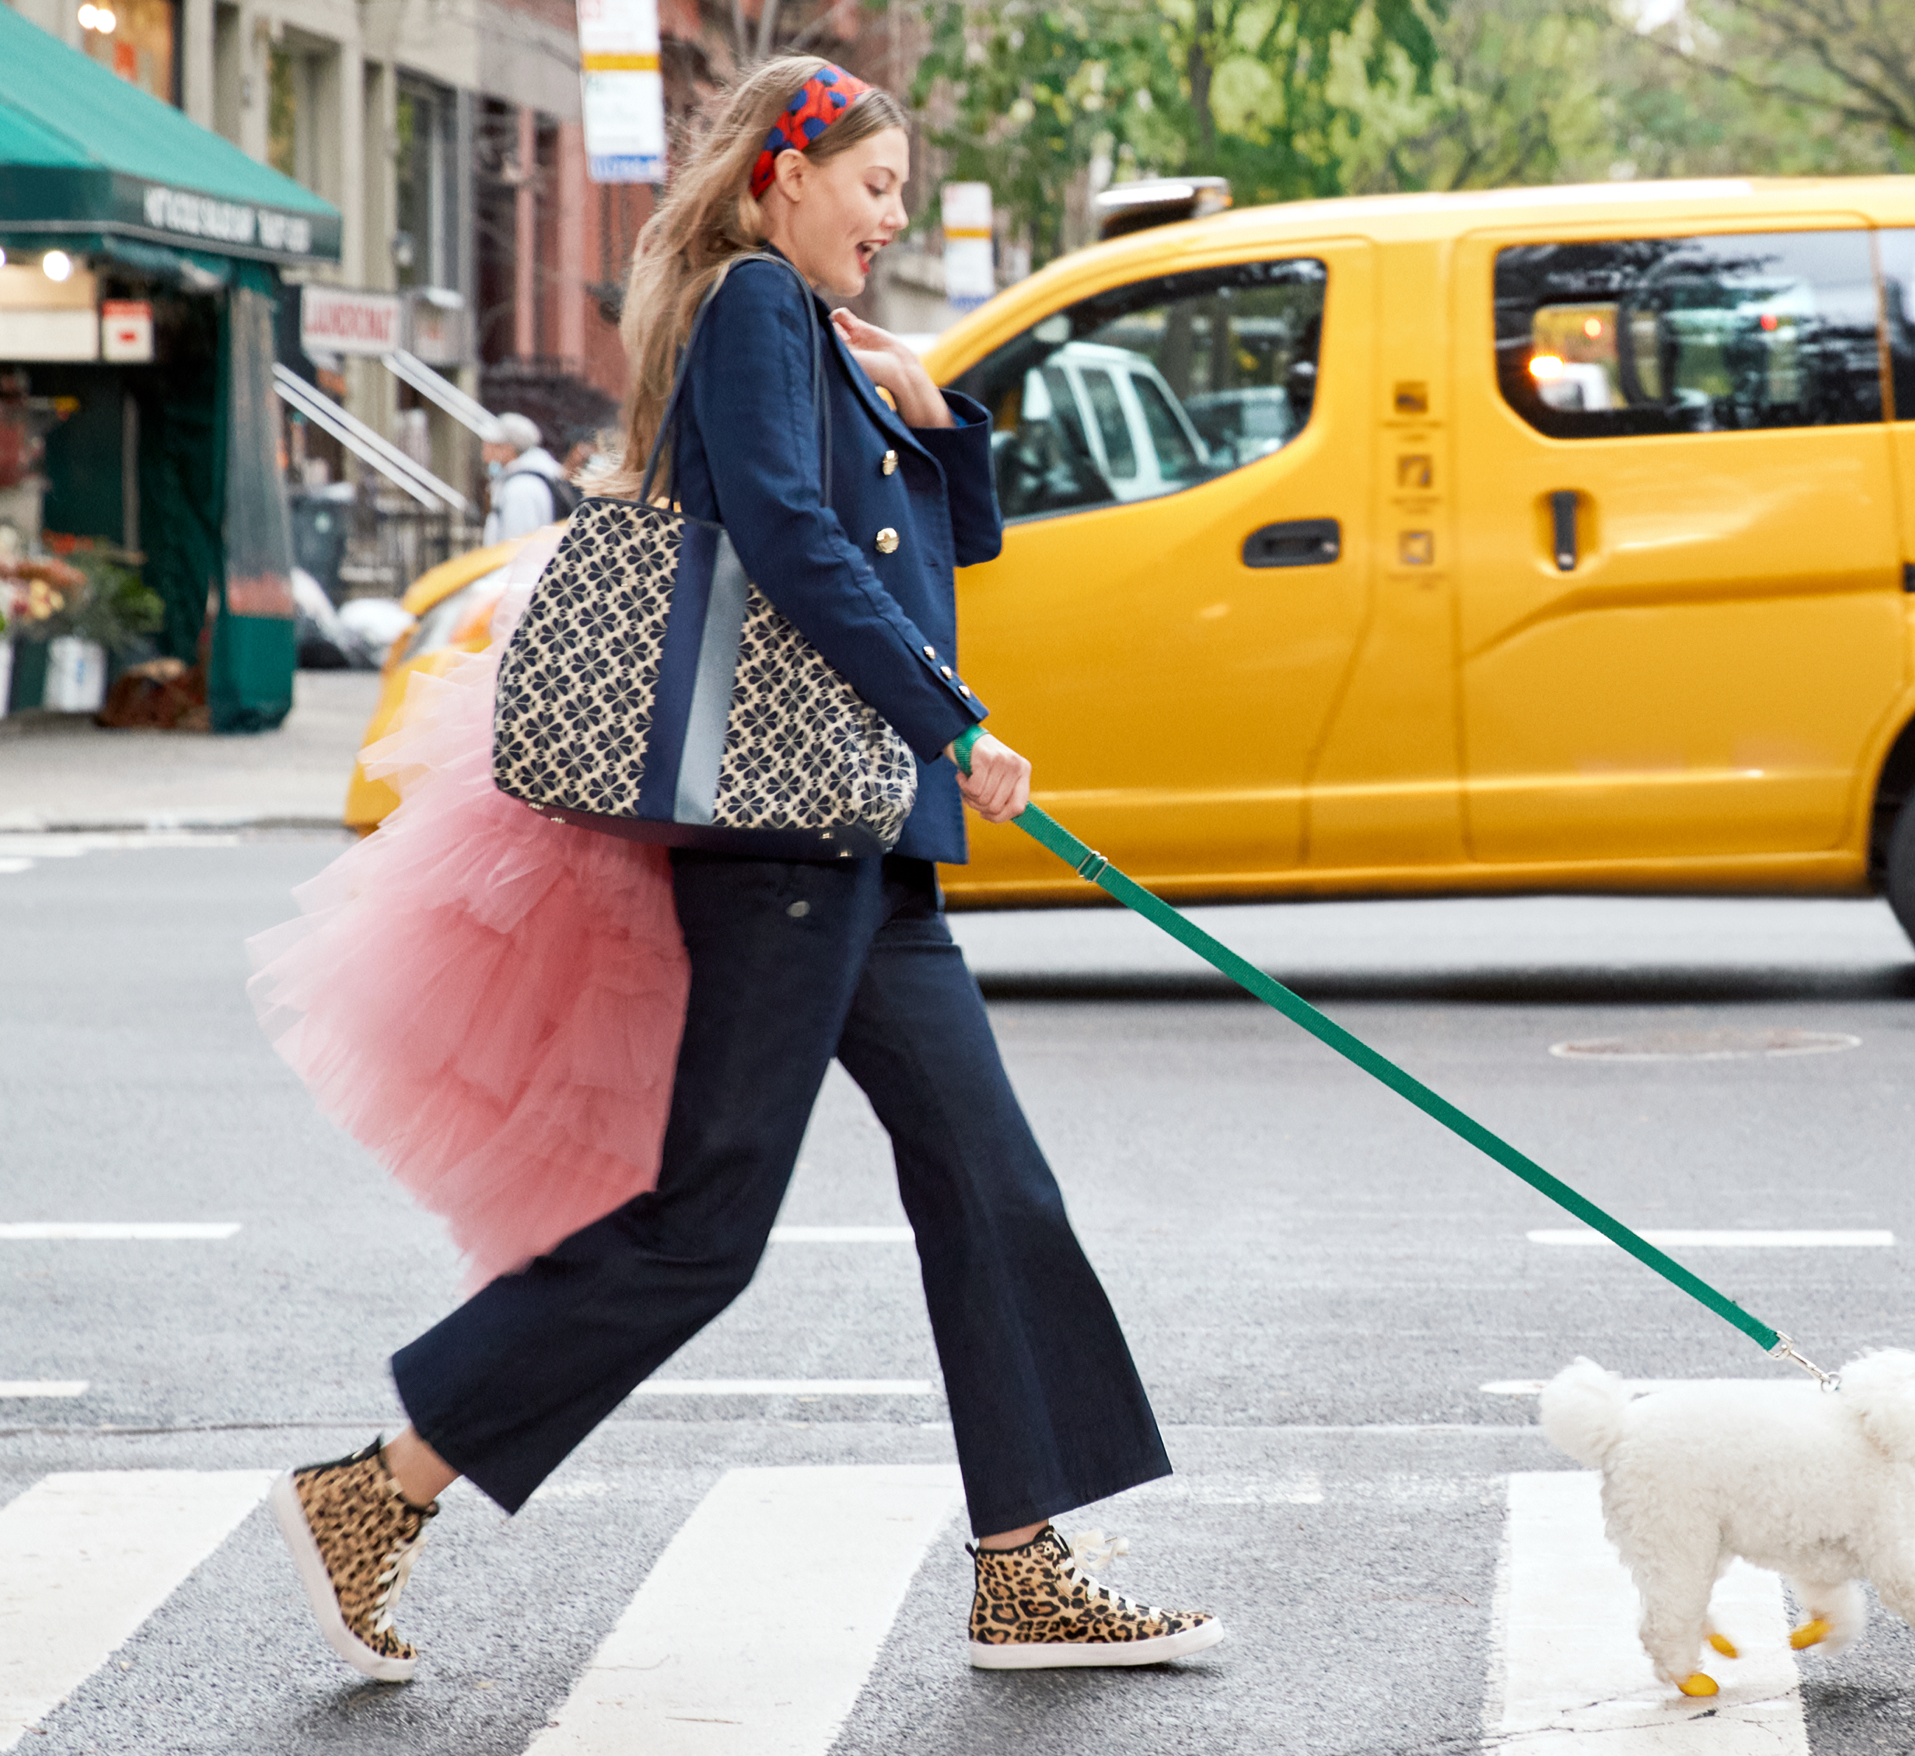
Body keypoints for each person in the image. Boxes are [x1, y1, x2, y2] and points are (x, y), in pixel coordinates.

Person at [248, 55, 1212, 1686]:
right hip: (784, 840)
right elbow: (781, 527)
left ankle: (1022, 1561)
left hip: (861, 842)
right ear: (784, 173)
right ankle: (380, 1489)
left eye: (906, 192)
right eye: (876, 186)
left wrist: (932, 410)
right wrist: (947, 715)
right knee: (704, 1230)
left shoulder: (820, 337)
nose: (891, 219)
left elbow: (941, 542)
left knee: (993, 1185)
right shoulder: (753, 303)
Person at [479, 412, 572, 542]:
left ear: (508, 449)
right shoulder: (521, 480)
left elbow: (517, 544)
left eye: (489, 444)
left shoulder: (521, 488)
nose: (484, 451)